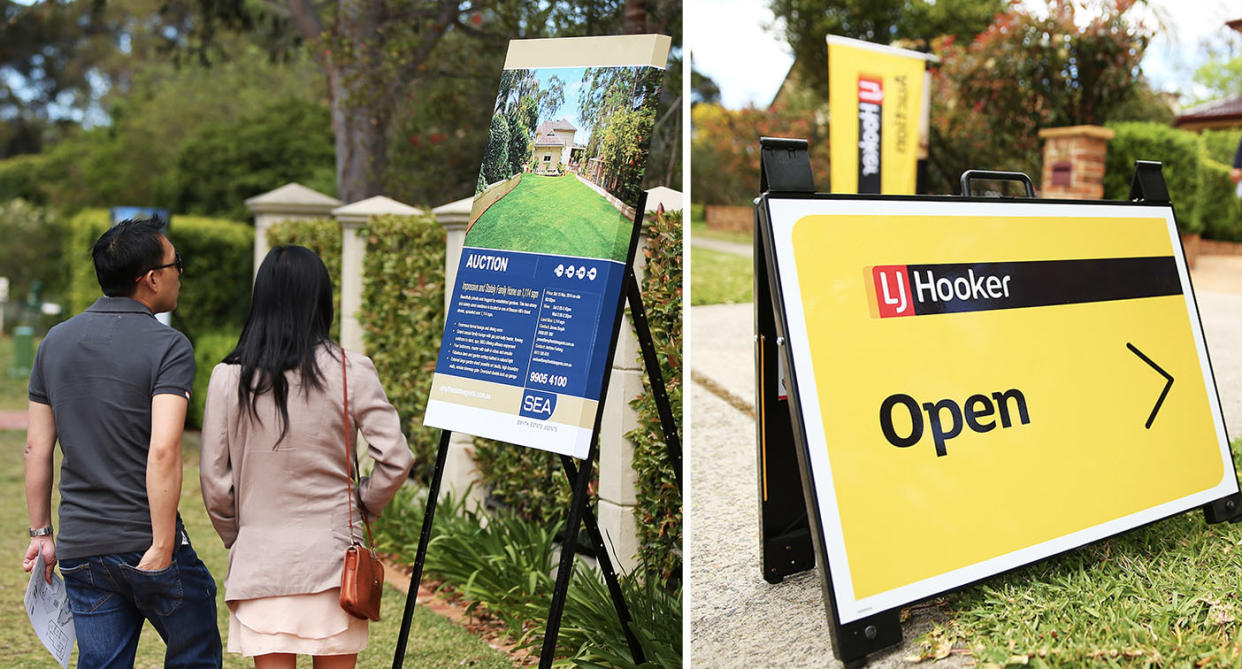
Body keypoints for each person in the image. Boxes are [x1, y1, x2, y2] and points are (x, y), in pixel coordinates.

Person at [199, 245, 413, 668]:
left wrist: (240, 535)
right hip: (334, 563)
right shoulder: (351, 369)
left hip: (260, 560)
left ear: (261, 299)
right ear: (322, 300)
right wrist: (363, 505)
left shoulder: (228, 377)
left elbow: (214, 482)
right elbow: (395, 458)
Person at [23, 218, 223, 667]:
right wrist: (164, 545)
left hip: (80, 545)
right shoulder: (169, 346)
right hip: (144, 540)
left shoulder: (54, 342)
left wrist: (41, 535)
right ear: (151, 278)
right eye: (177, 264)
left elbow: (36, 448)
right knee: (196, 649)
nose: (179, 274)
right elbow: (166, 449)